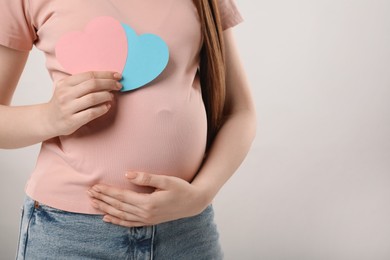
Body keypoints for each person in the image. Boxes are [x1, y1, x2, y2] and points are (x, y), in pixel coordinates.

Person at [0, 0, 256, 259]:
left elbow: (239, 112)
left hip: (185, 229)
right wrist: (49, 116)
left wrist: (201, 194)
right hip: (70, 231)